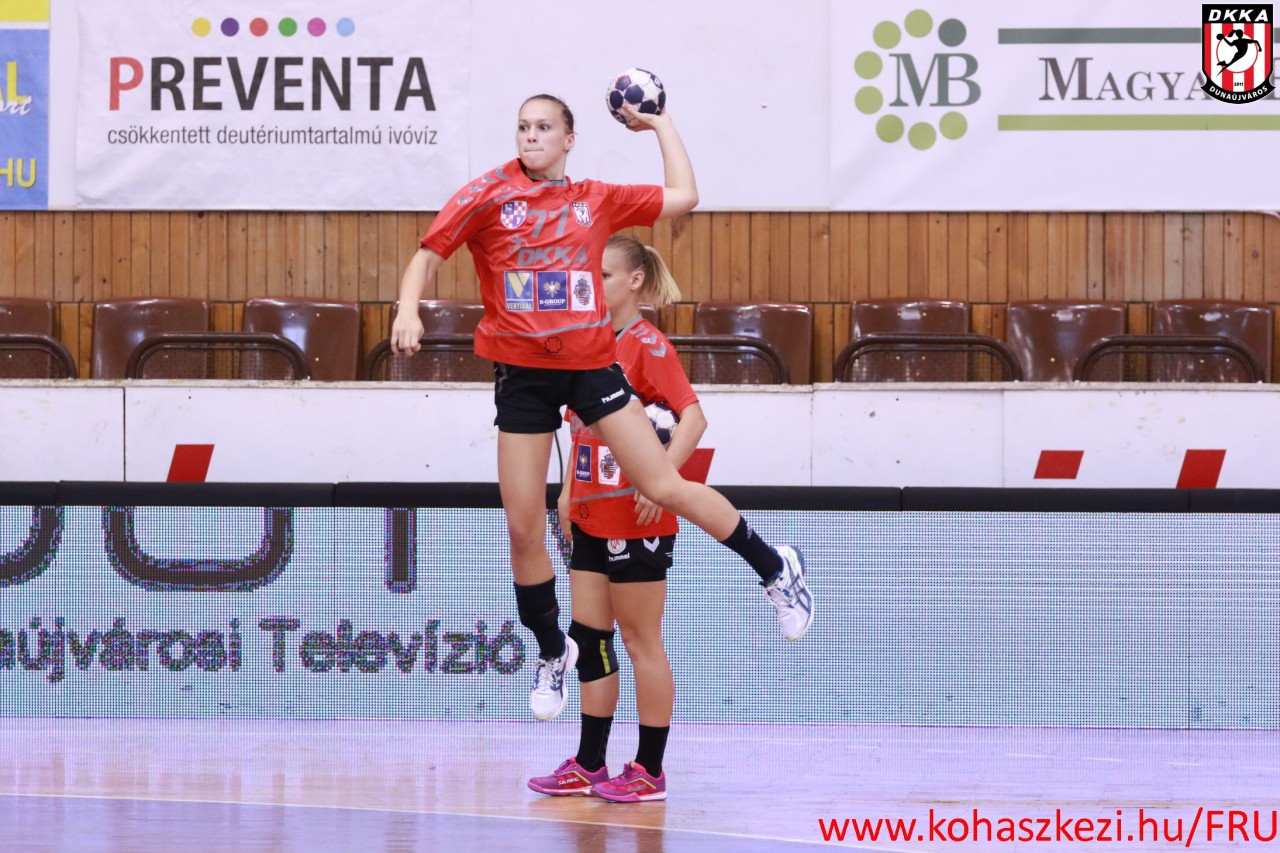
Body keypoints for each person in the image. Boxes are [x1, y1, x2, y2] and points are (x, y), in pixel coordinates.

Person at [390, 94, 813, 724]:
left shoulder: (597, 198)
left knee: (662, 483)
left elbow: (685, 196)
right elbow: (428, 254)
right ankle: (550, 650)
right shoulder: (488, 193)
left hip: (591, 368)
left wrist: (661, 122)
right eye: (523, 127)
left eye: (544, 127)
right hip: (524, 379)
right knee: (523, 528)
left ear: (569, 139)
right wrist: (408, 308)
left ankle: (776, 568)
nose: (531, 136)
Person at [527, 236, 705, 801]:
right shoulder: (587, 344)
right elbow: (579, 429)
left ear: (634, 281)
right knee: (589, 639)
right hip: (589, 510)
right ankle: (590, 763)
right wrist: (565, 493)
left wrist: (663, 481)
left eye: (603, 276)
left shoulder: (648, 345)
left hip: (636, 515)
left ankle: (649, 769)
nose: (593, 286)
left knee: (640, 640)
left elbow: (694, 419)